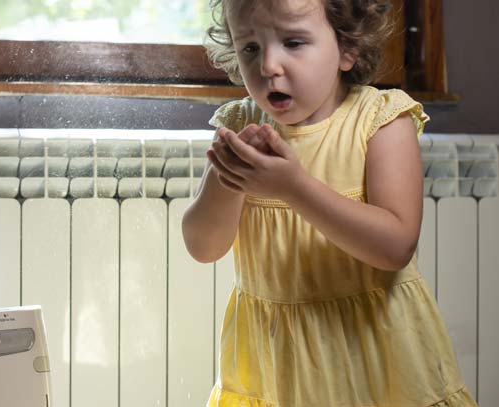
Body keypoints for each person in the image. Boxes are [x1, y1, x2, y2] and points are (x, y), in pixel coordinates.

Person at [181, 0, 478, 406]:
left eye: (293, 42)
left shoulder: (381, 122)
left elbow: (396, 247)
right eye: (250, 47)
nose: (268, 65)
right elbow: (203, 247)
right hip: (276, 364)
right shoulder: (239, 127)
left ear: (347, 48)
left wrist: (295, 188)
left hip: (373, 352)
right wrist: (230, 179)